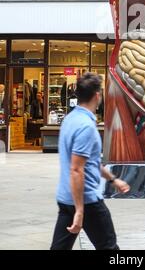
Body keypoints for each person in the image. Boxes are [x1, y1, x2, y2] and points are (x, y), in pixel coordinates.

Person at [50, 73, 130, 250]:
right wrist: (80, 210)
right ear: (97, 95)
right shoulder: (86, 126)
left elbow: (91, 162)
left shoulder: (70, 120)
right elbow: (77, 170)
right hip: (87, 202)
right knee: (108, 247)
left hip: (66, 198)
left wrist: (113, 179)